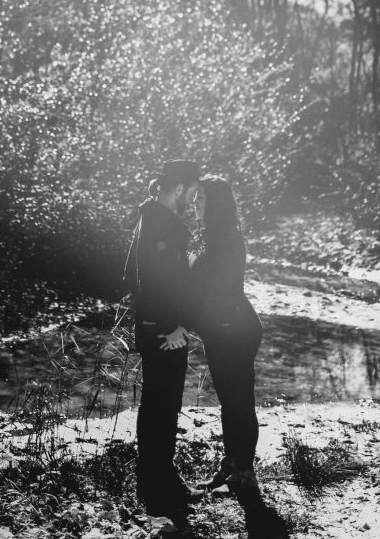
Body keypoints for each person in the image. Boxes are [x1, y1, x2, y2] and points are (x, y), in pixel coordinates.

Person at [123, 159, 202, 525]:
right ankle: (158, 487)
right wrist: (172, 326)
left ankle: (158, 479)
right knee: (163, 405)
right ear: (181, 187)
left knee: (158, 403)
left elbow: (129, 274)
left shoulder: (148, 217)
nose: (194, 198)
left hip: (156, 325)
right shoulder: (161, 224)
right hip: (163, 330)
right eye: (193, 190)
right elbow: (157, 283)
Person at [189, 175, 263, 494]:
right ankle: (233, 464)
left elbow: (219, 290)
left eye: (201, 200)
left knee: (239, 402)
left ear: (215, 204)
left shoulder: (228, 239)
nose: (195, 204)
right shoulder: (212, 236)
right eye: (195, 199)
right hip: (220, 329)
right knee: (229, 402)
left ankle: (244, 471)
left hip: (235, 328)